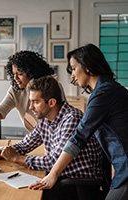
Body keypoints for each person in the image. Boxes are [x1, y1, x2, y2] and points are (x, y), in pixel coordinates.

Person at [0, 76, 103, 200]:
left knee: (17, 195)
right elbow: (24, 145)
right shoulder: (46, 120)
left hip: (76, 184)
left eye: (35, 102)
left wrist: (16, 158)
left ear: (51, 102)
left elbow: (53, 162)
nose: (30, 107)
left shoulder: (71, 119)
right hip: (59, 178)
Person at [29, 43, 128, 200]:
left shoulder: (103, 94)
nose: (72, 75)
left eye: (74, 68)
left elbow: (79, 137)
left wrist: (53, 174)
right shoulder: (108, 90)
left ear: (88, 67)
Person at [0, 50, 65, 147]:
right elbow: (1, 110)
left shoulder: (51, 87)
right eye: (13, 74)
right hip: (36, 138)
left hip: (55, 138)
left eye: (20, 74)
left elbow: (61, 117)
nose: (15, 78)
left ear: (32, 73)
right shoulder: (15, 90)